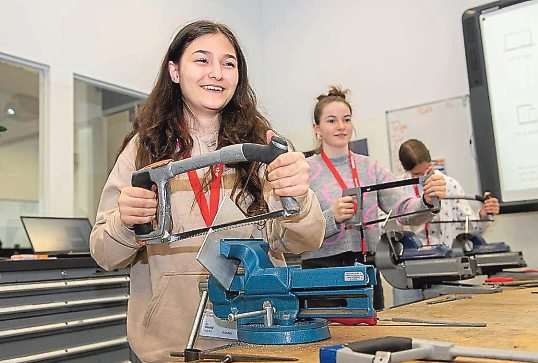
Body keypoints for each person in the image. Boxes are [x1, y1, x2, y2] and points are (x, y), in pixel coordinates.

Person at [90, 20, 324, 363]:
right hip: (165, 347)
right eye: (202, 60)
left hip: (255, 339)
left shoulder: (263, 145)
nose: (216, 72)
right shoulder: (143, 149)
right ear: (174, 71)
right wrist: (125, 223)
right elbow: (104, 253)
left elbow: (304, 241)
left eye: (228, 63)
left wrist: (299, 199)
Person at [300, 86, 446, 310]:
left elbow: (403, 209)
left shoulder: (370, 167)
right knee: (329, 337)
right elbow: (294, 230)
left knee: (371, 335)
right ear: (316, 128)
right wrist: (332, 217)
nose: (341, 126)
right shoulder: (304, 171)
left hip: (366, 266)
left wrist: (426, 201)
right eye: (331, 121)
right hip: (322, 272)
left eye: (346, 119)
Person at [392, 138, 500, 306]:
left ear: (431, 162)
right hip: (407, 270)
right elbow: (389, 228)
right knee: (406, 319)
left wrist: (483, 214)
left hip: (445, 267)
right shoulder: (397, 188)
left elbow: (469, 229)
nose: (423, 178)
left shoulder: (450, 185)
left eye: (426, 171)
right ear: (405, 170)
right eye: (416, 175)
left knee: (447, 320)